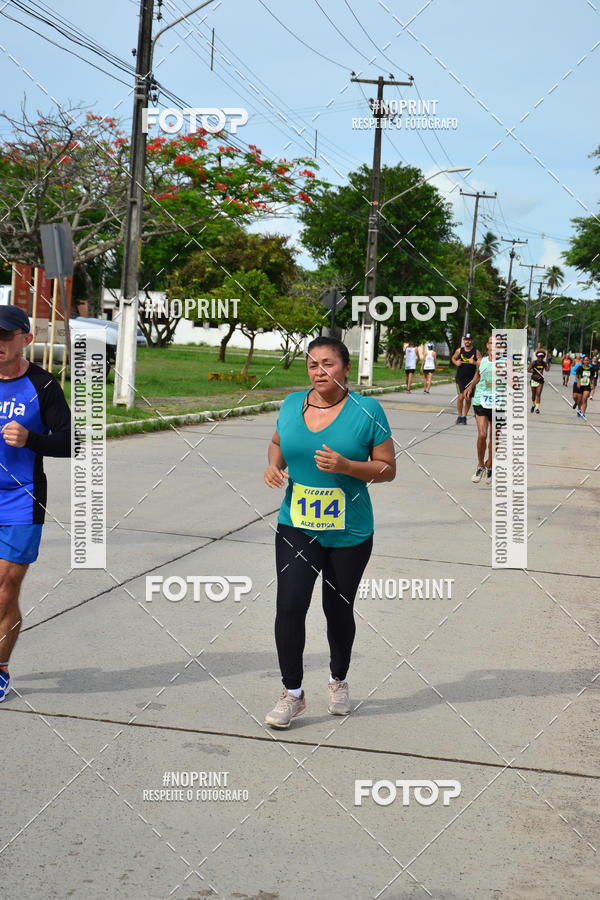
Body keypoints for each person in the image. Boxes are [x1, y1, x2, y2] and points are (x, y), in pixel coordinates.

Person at [263, 336, 396, 728]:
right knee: (289, 606)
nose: (319, 371)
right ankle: (293, 693)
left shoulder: (367, 410)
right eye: (312, 365)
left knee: (336, 610)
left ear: (345, 368)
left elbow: (388, 468)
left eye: (327, 364)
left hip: (349, 531)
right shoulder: (291, 404)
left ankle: (338, 679)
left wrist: (347, 466)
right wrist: (273, 466)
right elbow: (276, 443)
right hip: (296, 525)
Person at [0, 307, 71, 702]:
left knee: (4, 591)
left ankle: (0, 667)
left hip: (20, 499)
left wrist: (31, 439)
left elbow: (70, 441)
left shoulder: (43, 386)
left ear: (26, 339)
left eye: (6, 336)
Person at [465, 335, 502, 483]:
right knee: (482, 435)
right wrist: (471, 386)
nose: (494, 346)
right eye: (492, 343)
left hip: (500, 403)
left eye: (498, 344)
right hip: (481, 400)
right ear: (487, 346)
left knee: (495, 438)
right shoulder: (481, 361)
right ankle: (480, 465)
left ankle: (490, 465)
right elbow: (478, 376)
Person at [451, 333, 481, 424]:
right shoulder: (459, 350)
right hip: (460, 378)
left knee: (467, 398)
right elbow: (453, 358)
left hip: (471, 379)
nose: (467, 341)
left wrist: (475, 362)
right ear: (464, 341)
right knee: (460, 397)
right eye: (466, 339)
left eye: (469, 339)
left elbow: (481, 363)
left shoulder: (476, 351)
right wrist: (456, 363)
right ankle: (459, 416)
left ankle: (464, 416)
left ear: (472, 341)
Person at [527, 349, 551, 413]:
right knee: (533, 394)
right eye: (539, 357)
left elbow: (547, 370)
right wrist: (534, 371)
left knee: (538, 393)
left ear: (543, 357)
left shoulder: (544, 363)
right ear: (537, 356)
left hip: (540, 380)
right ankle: (533, 404)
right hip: (533, 379)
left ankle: (537, 408)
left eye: (542, 357)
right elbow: (528, 370)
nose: (540, 358)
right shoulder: (533, 363)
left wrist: (549, 361)